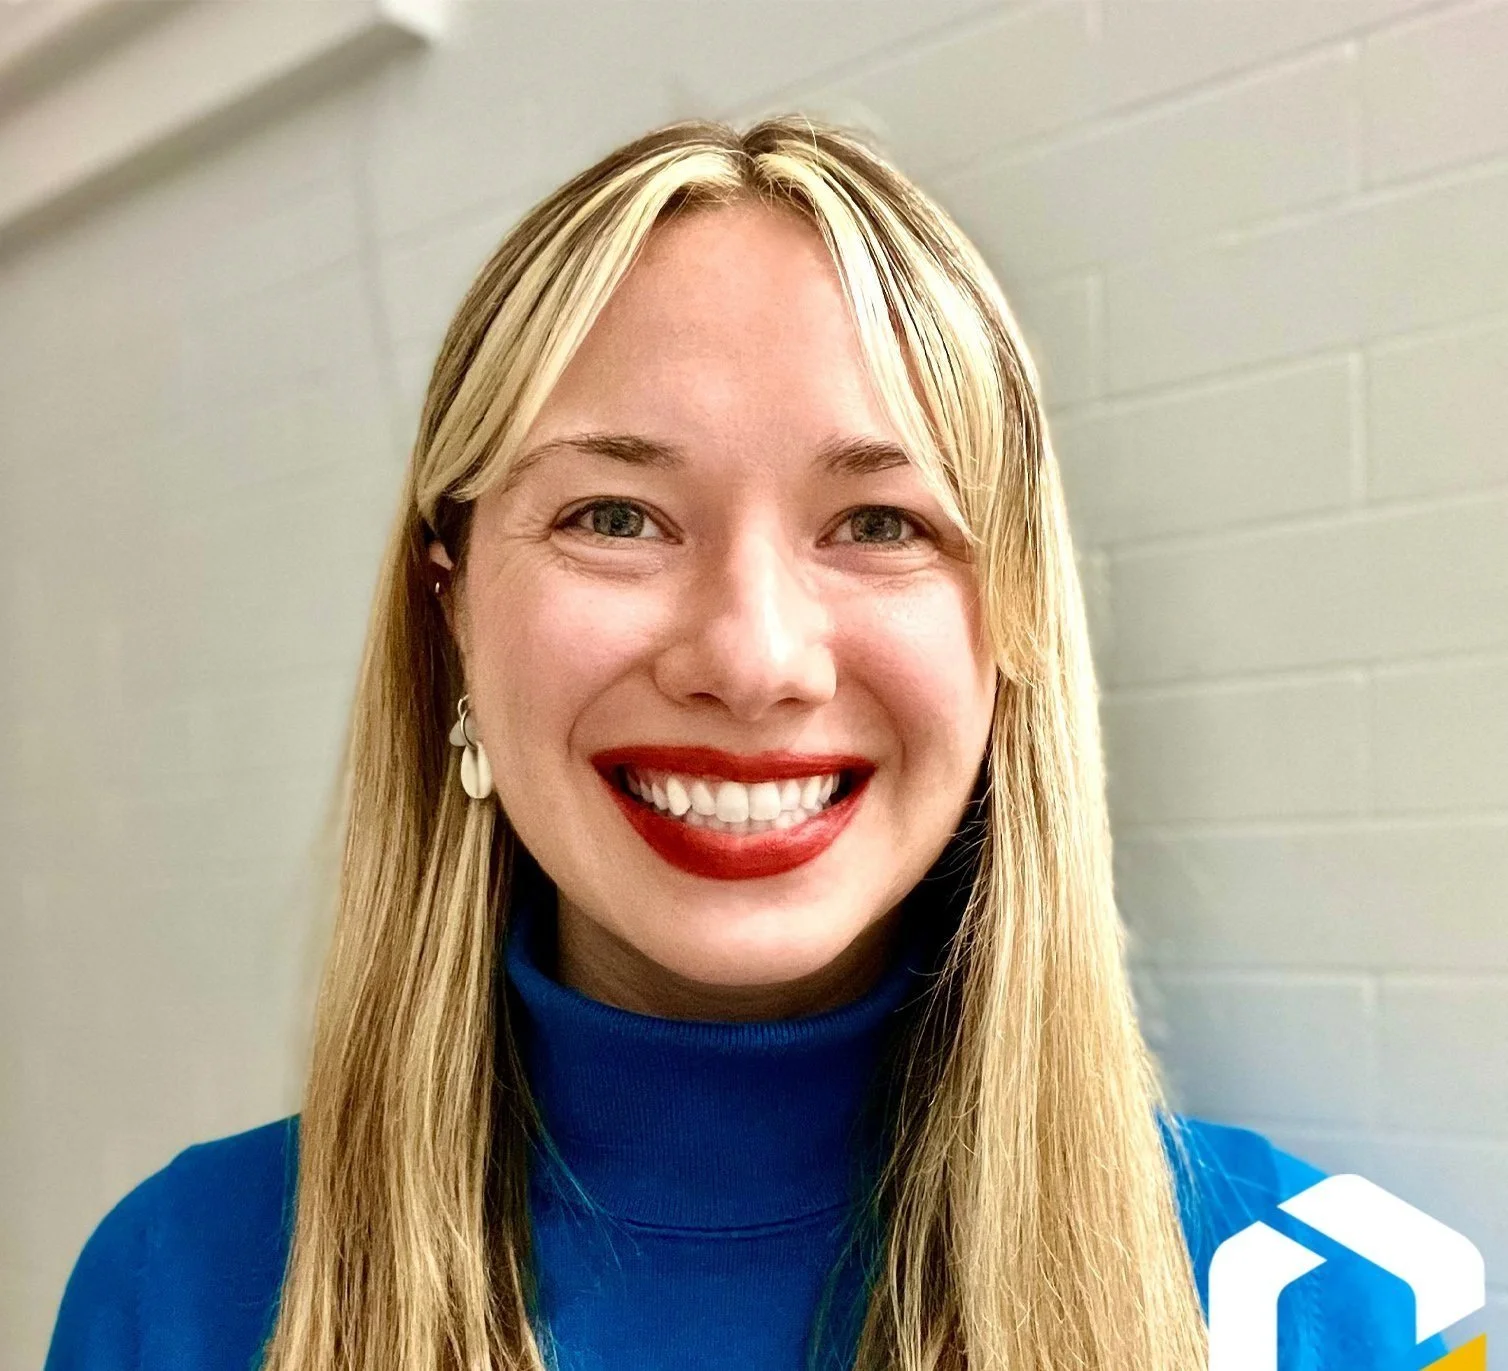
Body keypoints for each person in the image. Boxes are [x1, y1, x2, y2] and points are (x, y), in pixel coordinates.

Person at [43, 116, 1445, 1371]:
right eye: (615, 516)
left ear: (1010, 625)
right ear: (451, 605)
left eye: (880, 522)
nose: (753, 659)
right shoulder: (178, 1292)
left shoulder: (1349, 1313)